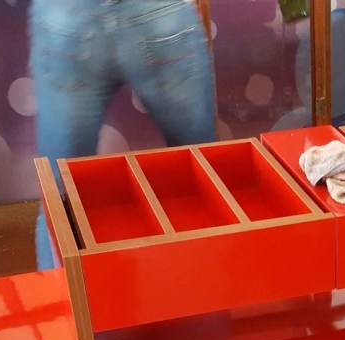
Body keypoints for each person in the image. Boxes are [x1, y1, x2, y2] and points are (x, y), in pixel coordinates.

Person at [31, 0, 217, 269]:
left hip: (66, 16)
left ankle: (60, 296)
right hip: (160, 12)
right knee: (203, 178)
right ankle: (209, 286)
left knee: (58, 203)